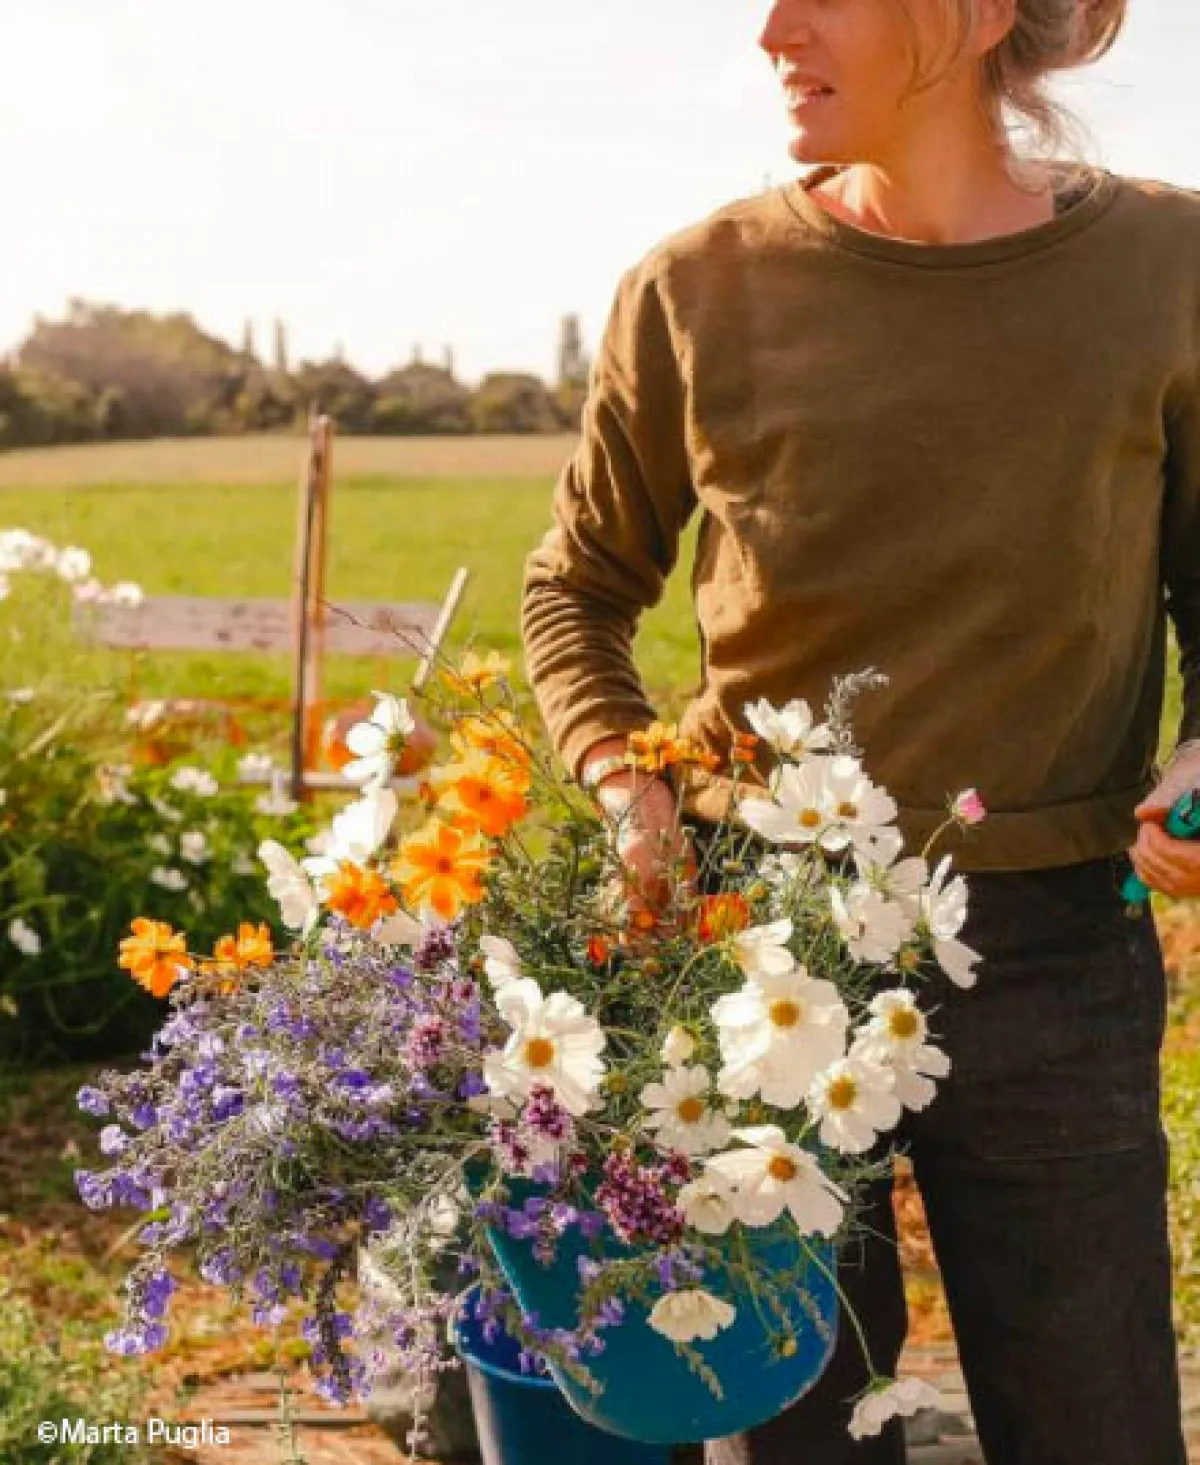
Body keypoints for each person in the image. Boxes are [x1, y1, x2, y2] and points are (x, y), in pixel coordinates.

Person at [520, 1, 1200, 1460]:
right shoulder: (696, 287)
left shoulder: (1168, 268)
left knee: (1100, 1427)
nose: (770, 27)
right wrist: (629, 788)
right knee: (794, 1438)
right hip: (754, 952)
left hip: (1050, 958)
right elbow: (575, 588)